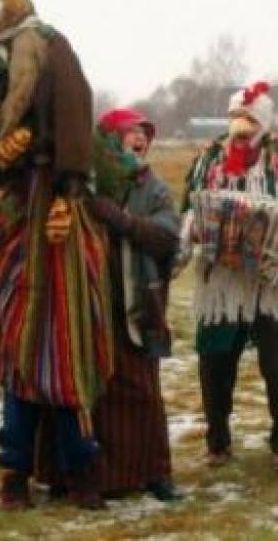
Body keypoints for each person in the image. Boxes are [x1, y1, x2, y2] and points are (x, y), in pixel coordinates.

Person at [0, 0, 113, 509]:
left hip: (58, 206)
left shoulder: (50, 45)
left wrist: (69, 191)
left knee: (64, 343)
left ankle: (82, 467)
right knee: (16, 344)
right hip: (17, 213)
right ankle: (15, 471)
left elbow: (75, 111)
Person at [178, 81, 278, 470]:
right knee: (215, 360)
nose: (240, 127)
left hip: (271, 285)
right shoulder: (207, 163)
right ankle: (217, 441)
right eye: (234, 119)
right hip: (223, 284)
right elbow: (189, 211)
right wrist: (192, 232)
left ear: (263, 125)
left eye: (248, 120)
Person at [83, 108, 180, 500]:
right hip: (91, 302)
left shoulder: (152, 186)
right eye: (131, 132)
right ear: (109, 140)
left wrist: (123, 222)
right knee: (95, 394)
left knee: (142, 390)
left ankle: (154, 474)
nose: (141, 140)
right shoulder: (87, 184)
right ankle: (93, 477)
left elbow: (167, 236)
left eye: (145, 134)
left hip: (138, 304)